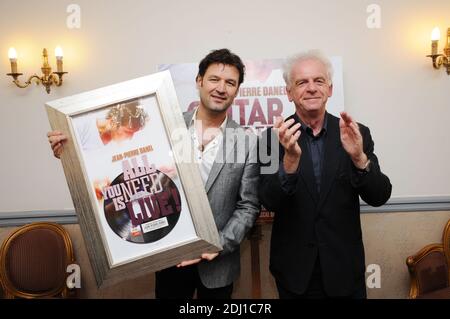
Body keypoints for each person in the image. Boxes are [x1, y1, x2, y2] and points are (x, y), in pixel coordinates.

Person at [48, 48, 260, 299]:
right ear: (199, 81)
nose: (221, 88)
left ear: (237, 90)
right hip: (169, 255)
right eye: (214, 79)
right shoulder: (162, 125)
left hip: (219, 267)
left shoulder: (246, 142)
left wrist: (219, 245)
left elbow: (248, 205)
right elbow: (119, 158)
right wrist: (71, 151)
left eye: (230, 83)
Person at [258, 50, 392, 299]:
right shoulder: (271, 138)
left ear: (329, 89)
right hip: (295, 273)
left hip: (344, 271)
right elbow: (269, 200)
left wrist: (359, 158)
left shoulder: (355, 132)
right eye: (302, 82)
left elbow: (379, 195)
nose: (311, 88)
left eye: (318, 81)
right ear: (289, 92)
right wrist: (289, 162)